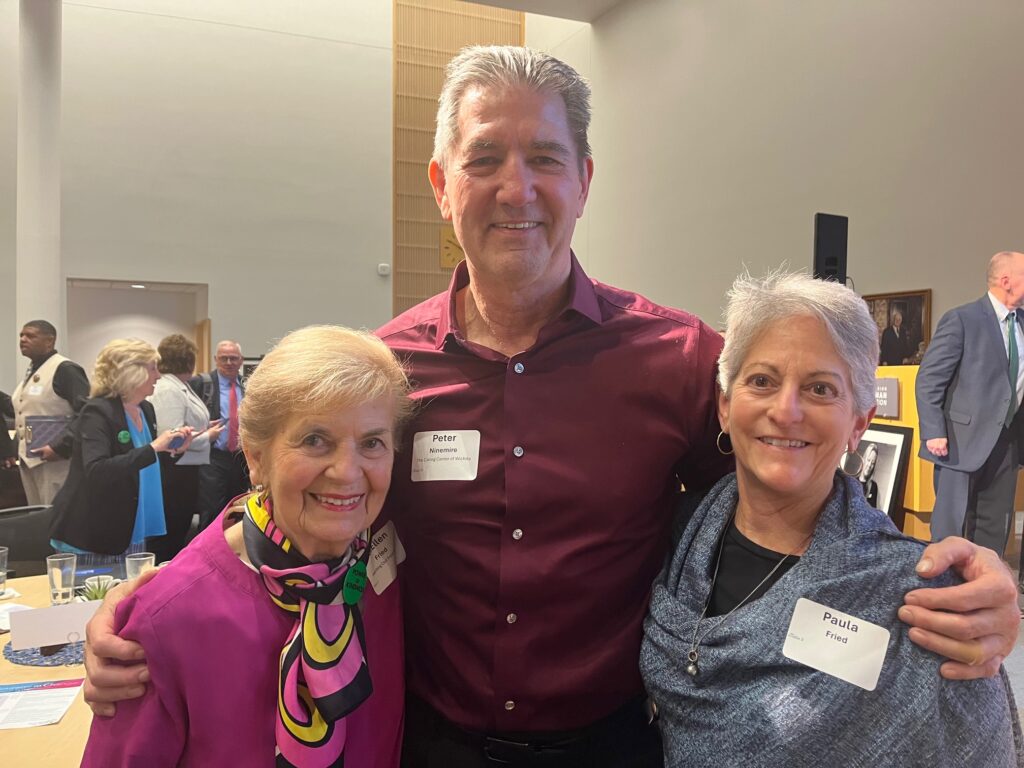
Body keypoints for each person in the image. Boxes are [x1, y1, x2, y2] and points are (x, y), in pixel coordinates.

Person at [83, 47, 1020, 766]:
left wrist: (953, 575)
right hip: (428, 738)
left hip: (612, 743)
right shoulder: (389, 371)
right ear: (442, 185)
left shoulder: (678, 360)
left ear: (584, 181)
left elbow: (787, 483)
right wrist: (145, 608)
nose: (515, 188)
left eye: (544, 158)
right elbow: (298, 504)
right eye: (484, 158)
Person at [642, 272, 1023, 767]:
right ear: (725, 405)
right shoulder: (678, 537)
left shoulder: (919, 599)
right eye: (762, 381)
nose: (786, 410)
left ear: (858, 423)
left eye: (820, 389)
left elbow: (970, 742)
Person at [80, 326, 409, 767]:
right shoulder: (169, 616)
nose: (347, 472)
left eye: (372, 443)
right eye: (315, 440)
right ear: (256, 456)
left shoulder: (375, 573)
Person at [48, 339, 193, 578]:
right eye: (153, 368)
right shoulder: (97, 412)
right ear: (131, 372)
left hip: (132, 528)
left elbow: (145, 464)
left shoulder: (145, 409)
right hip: (94, 533)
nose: (158, 375)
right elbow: (97, 471)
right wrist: (154, 448)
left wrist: (174, 450)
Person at [917, 251, 1024, 565]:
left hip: (1007, 441)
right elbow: (929, 379)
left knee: (995, 523)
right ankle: (941, 589)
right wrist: (933, 431)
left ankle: (982, 587)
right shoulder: (963, 319)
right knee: (952, 523)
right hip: (959, 441)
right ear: (1007, 281)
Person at [146, 334, 225, 562]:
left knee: (179, 529)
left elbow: (184, 425)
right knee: (170, 533)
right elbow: (172, 437)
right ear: (189, 359)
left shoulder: (181, 385)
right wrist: (207, 436)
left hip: (185, 470)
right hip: (173, 471)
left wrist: (203, 427)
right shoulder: (168, 389)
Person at [12, 320, 90, 504]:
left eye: (30, 336)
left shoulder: (66, 369)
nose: (23, 339)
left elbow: (87, 412)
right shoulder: (33, 370)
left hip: (57, 460)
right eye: (21, 335)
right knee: (37, 518)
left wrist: (61, 447)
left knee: (55, 517)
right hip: (30, 460)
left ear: (50, 341)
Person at [190, 340, 248, 531]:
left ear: (241, 361)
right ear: (216, 360)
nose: (229, 362)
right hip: (213, 457)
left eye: (234, 358)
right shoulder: (201, 384)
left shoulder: (247, 386)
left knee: (238, 508)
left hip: (241, 459)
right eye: (224, 358)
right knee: (212, 509)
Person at [859, 442, 879, 507]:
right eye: (868, 460)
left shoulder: (873, 486)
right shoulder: (852, 481)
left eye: (873, 463)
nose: (870, 465)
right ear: (864, 459)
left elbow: (873, 510)